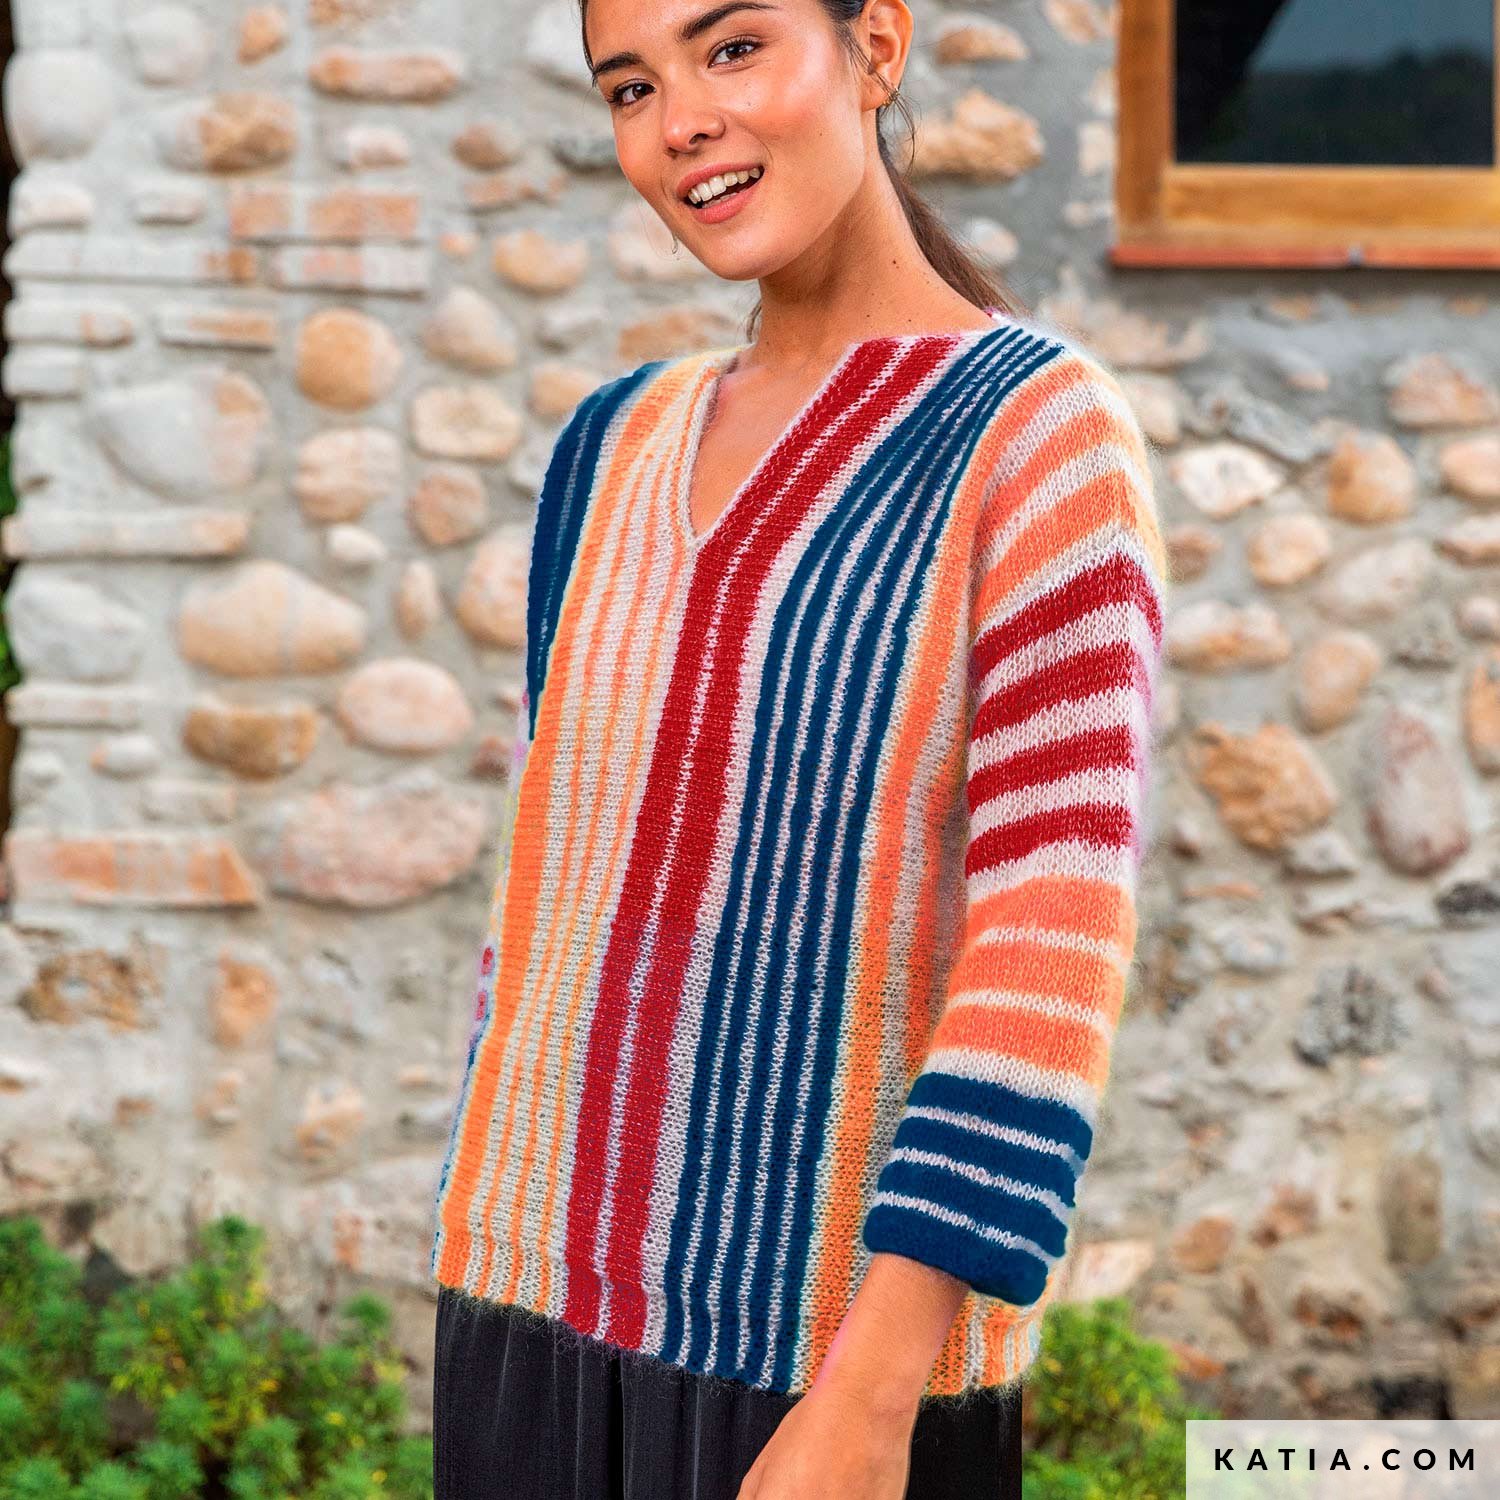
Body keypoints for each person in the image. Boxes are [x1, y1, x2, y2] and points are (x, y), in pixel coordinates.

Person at [428, 0, 1169, 1495]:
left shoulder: (1038, 442)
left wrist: (872, 1397)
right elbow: (550, 910)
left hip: (825, 1369)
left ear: (875, 46)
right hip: (521, 1314)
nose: (681, 121)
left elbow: (1050, 946)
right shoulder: (606, 449)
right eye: (629, 86)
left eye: (733, 48)